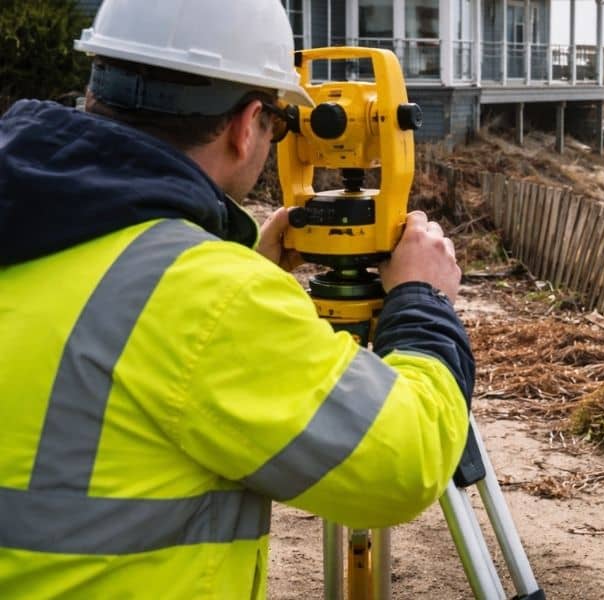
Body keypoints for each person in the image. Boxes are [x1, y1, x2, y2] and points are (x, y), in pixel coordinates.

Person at [0, 0, 473, 597]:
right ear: (249, 124)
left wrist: (233, 267)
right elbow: (404, 462)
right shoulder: (206, 299)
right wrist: (422, 301)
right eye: (280, 123)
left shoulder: (31, 219)